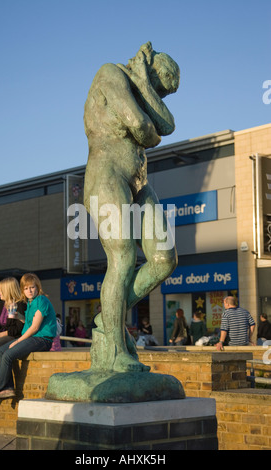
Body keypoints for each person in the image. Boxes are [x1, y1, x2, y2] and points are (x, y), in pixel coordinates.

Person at [84, 41, 179, 372]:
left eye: (164, 95)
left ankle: (108, 314)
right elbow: (141, 127)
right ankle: (113, 350)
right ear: (150, 68)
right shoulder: (110, 73)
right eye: (159, 87)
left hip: (138, 182)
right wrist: (140, 87)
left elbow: (167, 126)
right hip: (107, 175)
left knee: (164, 258)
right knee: (123, 258)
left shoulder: (140, 86)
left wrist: (143, 87)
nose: (159, 98)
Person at [0, 273, 57, 407]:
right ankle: (7, 388)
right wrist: (19, 317)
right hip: (33, 338)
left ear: (37, 287)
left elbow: (34, 327)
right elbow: (28, 322)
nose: (29, 291)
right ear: (22, 290)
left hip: (42, 339)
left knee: (8, 355)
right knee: (0, 351)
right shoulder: (30, 302)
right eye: (26, 288)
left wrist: (17, 341)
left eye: (32, 287)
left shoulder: (41, 300)